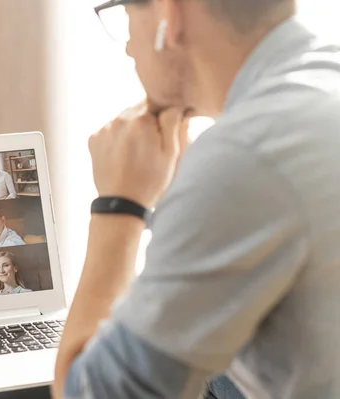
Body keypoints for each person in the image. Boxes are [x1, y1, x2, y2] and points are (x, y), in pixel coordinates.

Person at [53, 1, 340, 399]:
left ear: (168, 15)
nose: (128, 48)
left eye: (124, 11)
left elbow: (91, 393)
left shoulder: (247, 153)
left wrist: (118, 207)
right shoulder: (320, 87)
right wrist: (184, 194)